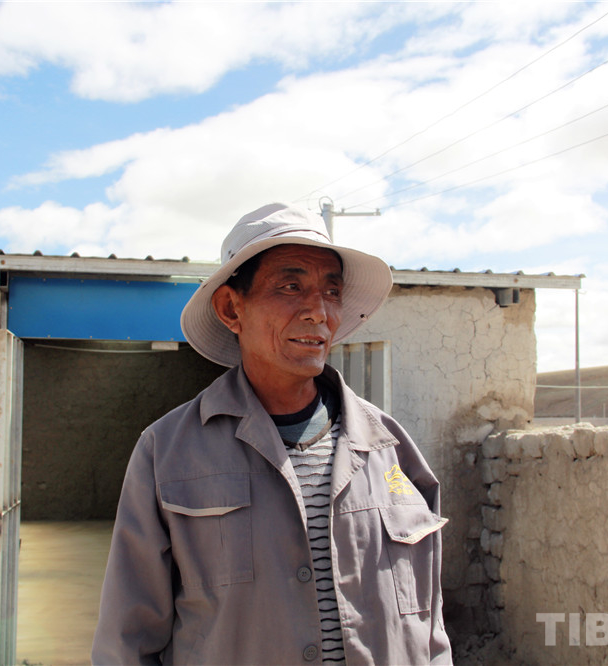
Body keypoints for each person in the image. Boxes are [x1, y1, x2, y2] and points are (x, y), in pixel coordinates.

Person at [92, 203, 452, 665]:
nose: (318, 312)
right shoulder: (167, 453)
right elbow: (126, 642)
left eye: (331, 291)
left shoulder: (393, 449)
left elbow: (430, 627)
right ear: (230, 307)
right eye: (290, 286)